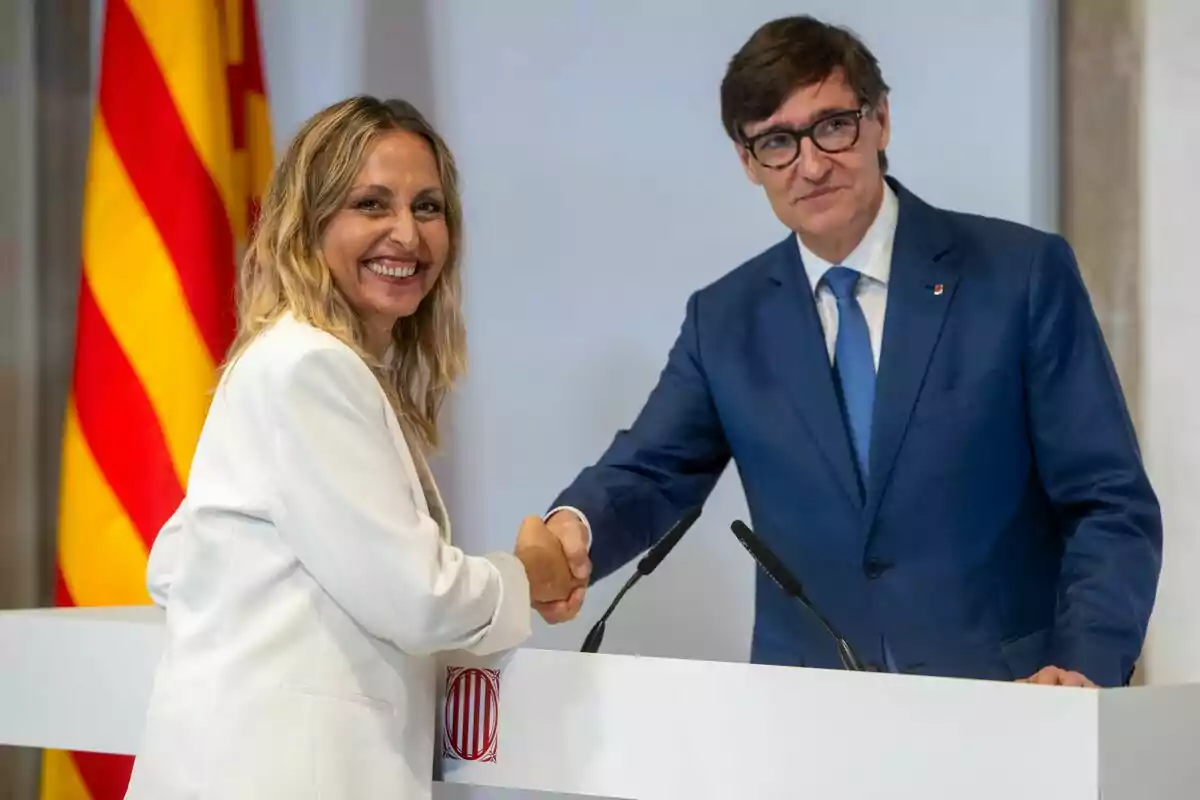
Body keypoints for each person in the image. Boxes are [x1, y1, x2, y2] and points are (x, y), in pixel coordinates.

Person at [533, 15, 1162, 688]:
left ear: (880, 120)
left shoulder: (1020, 276)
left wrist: (1083, 666)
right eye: (777, 141)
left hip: (1008, 707)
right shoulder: (725, 320)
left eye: (832, 125)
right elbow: (651, 472)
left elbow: (1108, 502)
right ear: (748, 163)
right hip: (809, 724)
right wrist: (571, 533)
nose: (810, 164)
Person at [124, 96, 577, 800]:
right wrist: (528, 576)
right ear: (309, 224)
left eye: (428, 208)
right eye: (372, 204)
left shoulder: (297, 362)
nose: (407, 234)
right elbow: (415, 599)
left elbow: (178, 565)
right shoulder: (310, 368)